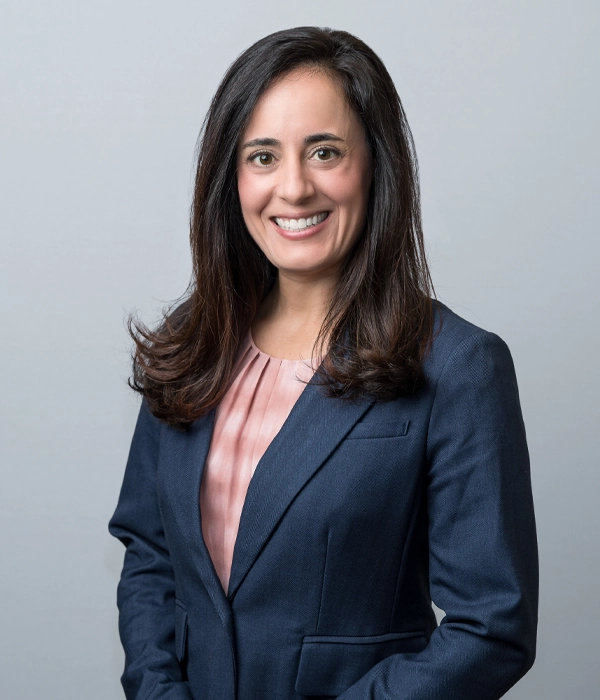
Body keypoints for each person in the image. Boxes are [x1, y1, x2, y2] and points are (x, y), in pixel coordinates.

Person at [108, 26, 538, 700]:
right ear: (231, 177)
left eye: (325, 152)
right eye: (262, 157)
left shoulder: (460, 368)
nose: (294, 187)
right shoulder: (191, 342)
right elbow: (151, 559)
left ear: (375, 165)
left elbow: (491, 628)